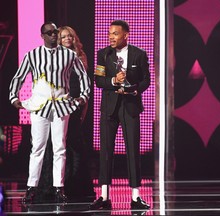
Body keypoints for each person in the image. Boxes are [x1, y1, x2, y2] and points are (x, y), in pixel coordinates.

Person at [9, 21, 91, 204]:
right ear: (42, 36)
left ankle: (58, 188)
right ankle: (31, 188)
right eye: (49, 33)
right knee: (37, 147)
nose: (53, 35)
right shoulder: (33, 55)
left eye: (55, 32)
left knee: (60, 147)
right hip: (39, 106)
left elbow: (84, 77)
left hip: (61, 106)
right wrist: (13, 98)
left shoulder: (69, 55)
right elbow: (19, 76)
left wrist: (83, 97)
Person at [90, 19, 150, 210]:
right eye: (110, 33)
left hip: (130, 106)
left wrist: (133, 90)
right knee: (106, 151)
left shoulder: (139, 55)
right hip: (109, 107)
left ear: (126, 35)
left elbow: (146, 80)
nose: (111, 37)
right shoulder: (103, 54)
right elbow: (99, 80)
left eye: (115, 33)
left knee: (132, 150)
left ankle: (135, 195)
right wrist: (114, 80)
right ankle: (104, 195)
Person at [58, 26, 94, 200]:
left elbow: (84, 86)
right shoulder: (54, 56)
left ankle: (77, 185)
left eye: (69, 36)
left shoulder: (80, 56)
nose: (67, 39)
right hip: (58, 104)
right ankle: (60, 185)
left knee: (76, 145)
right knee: (59, 146)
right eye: (63, 36)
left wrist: (83, 107)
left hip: (75, 104)